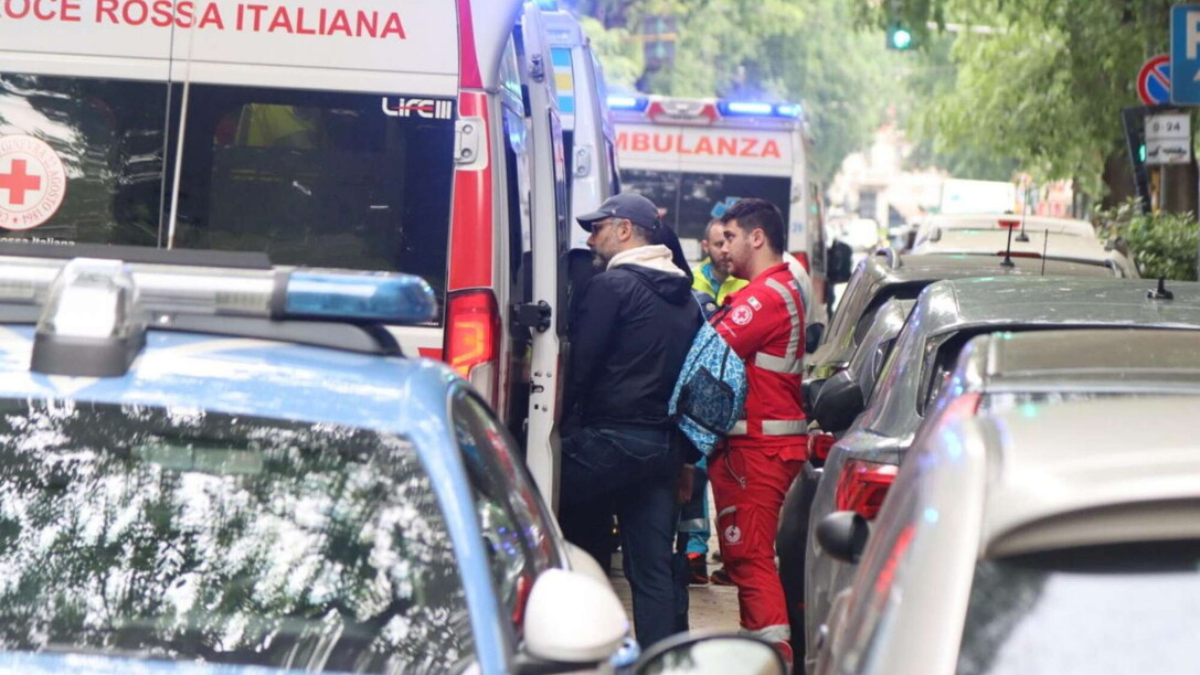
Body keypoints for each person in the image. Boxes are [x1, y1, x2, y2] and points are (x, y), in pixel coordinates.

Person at [558, 193, 702, 648]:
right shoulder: (687, 299)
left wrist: (556, 429)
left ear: (624, 230)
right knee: (652, 571)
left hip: (606, 442)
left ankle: (574, 649)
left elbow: (580, 367)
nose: (589, 236)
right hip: (662, 448)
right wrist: (683, 458)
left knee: (543, 525)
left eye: (597, 227)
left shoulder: (610, 287)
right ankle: (664, 660)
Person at [707, 198, 807, 664]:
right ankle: (760, 656)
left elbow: (712, 347)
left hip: (758, 448)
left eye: (729, 238)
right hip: (757, 445)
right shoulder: (772, 289)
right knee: (746, 558)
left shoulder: (765, 295)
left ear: (757, 237)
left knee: (749, 558)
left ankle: (772, 659)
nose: (721, 249)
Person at [694, 218, 750, 305]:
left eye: (731, 243)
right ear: (705, 246)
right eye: (720, 244)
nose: (725, 250)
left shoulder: (748, 282)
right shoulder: (690, 280)